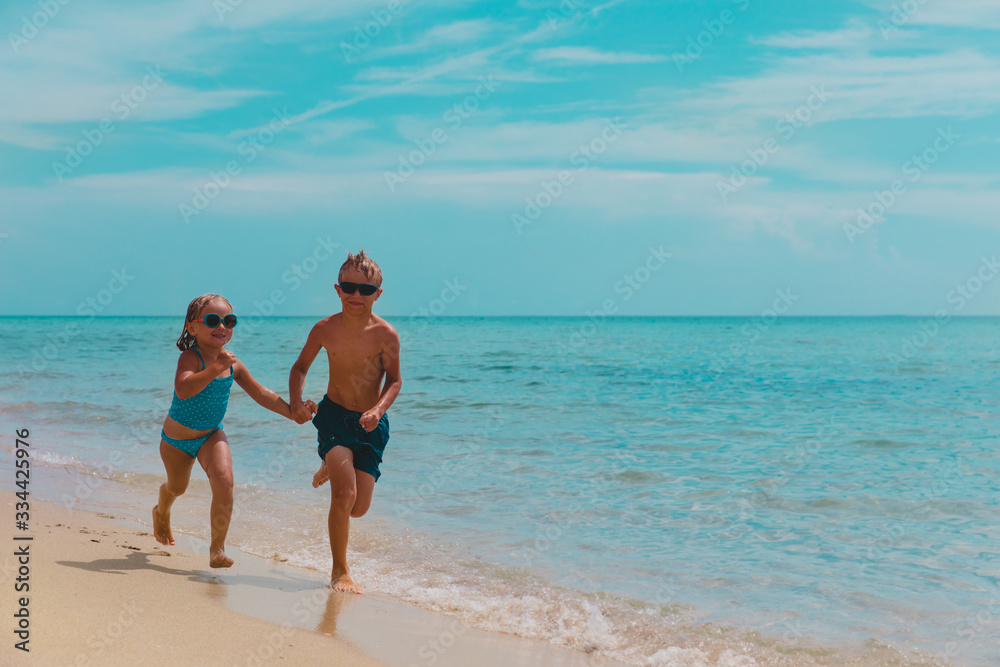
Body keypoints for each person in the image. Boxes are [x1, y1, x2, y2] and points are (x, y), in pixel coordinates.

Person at [153, 293, 315, 568]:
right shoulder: (191, 358)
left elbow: (262, 394)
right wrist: (217, 365)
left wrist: (292, 412)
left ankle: (216, 549)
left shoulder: (233, 365)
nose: (222, 327)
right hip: (177, 440)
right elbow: (184, 388)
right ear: (192, 327)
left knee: (225, 481)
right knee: (177, 487)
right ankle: (162, 510)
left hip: (211, 434)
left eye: (229, 321)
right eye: (213, 320)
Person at [289, 250, 402, 593]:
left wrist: (378, 410)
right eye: (349, 287)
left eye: (365, 290)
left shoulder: (386, 335)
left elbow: (394, 380)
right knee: (344, 494)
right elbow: (300, 368)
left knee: (358, 508)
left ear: (377, 295)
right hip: (333, 417)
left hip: (370, 425)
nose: (356, 295)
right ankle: (340, 571)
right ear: (337, 289)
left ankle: (330, 467)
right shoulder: (325, 329)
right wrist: (296, 401)